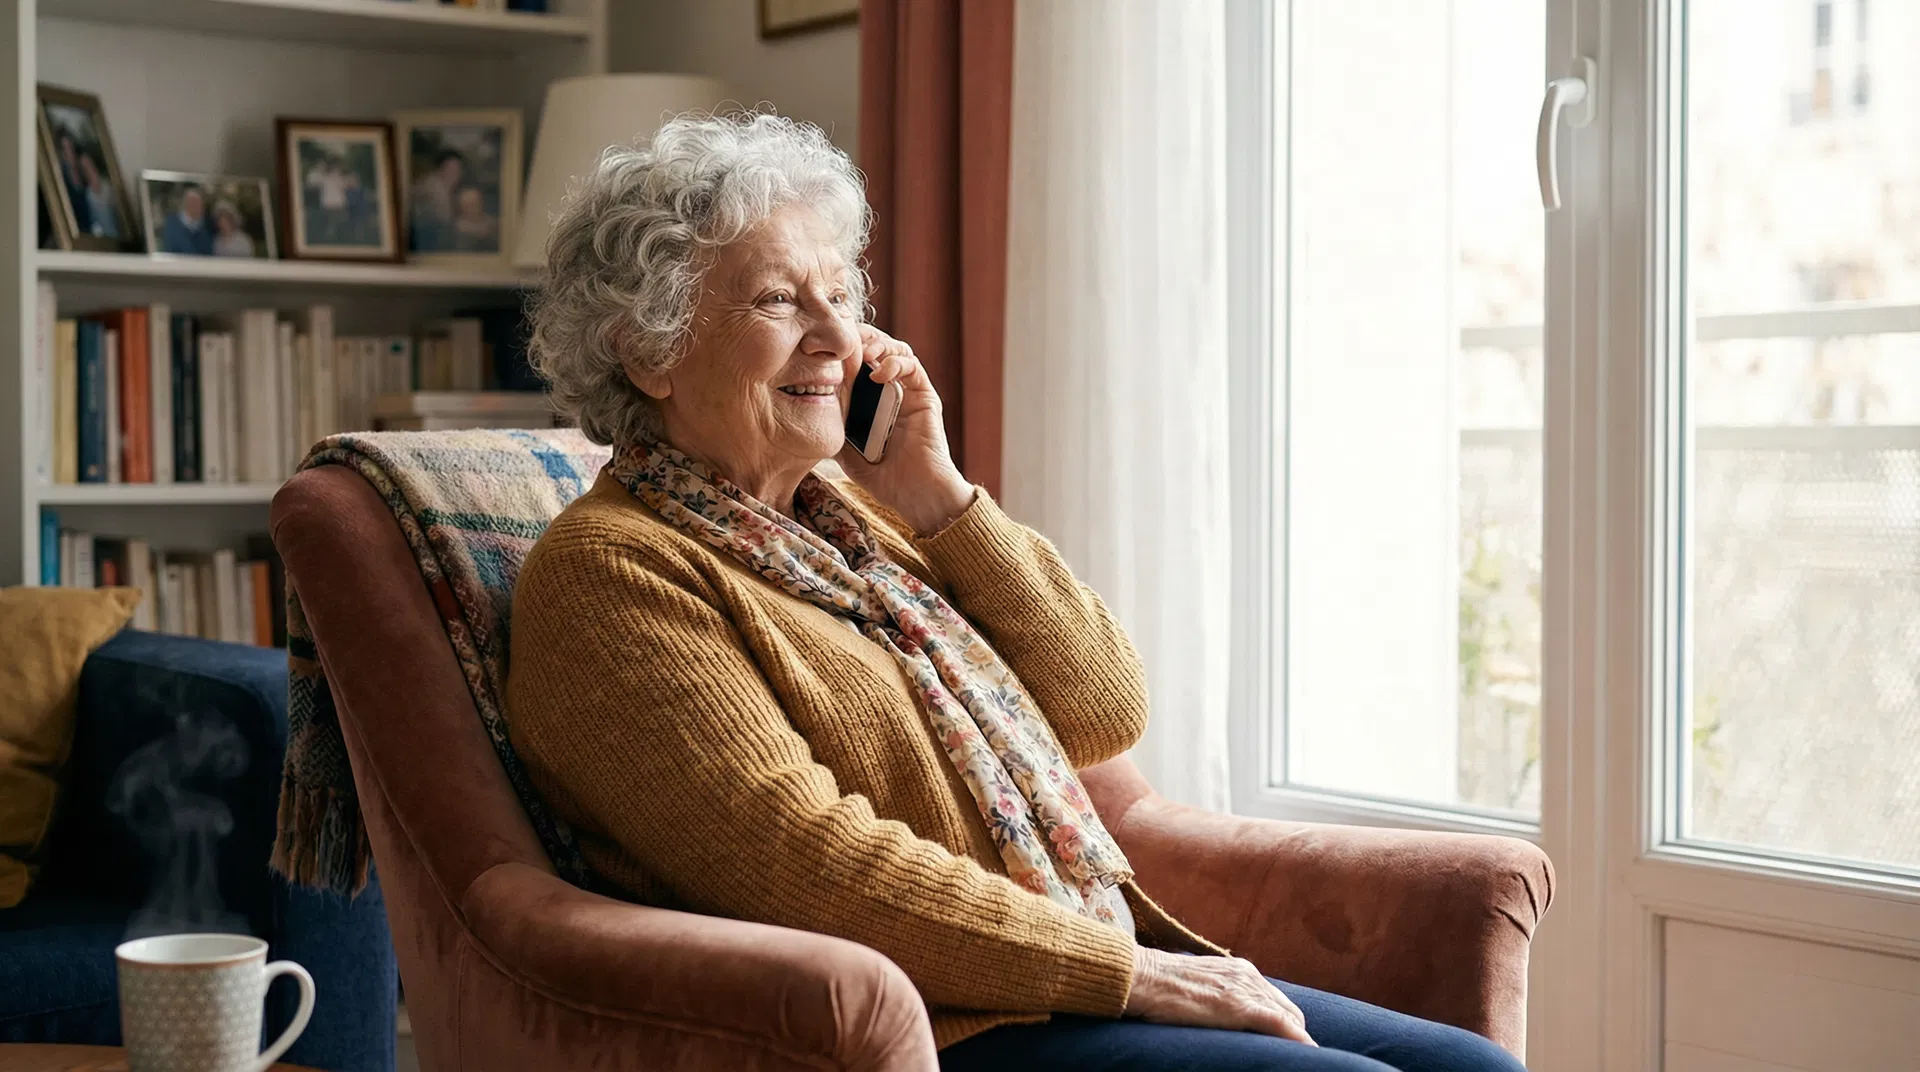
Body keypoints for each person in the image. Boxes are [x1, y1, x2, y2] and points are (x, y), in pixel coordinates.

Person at [507, 112, 1525, 1072]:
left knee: (1471, 1064)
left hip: (1058, 973)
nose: (837, 336)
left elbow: (1103, 708)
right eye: (780, 300)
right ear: (647, 351)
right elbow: (803, 859)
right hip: (937, 1024)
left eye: (842, 295)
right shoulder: (613, 574)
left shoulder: (849, 527)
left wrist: (940, 496)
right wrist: (1128, 972)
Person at [408, 148, 463, 251]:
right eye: (451, 169)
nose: (456, 174)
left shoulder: (447, 190)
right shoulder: (434, 186)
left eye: (458, 169)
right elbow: (446, 223)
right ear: (441, 169)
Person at [55, 131, 92, 235]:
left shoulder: (83, 171)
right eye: (65, 149)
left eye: (70, 148)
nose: (69, 153)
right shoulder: (61, 176)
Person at [160, 185, 213, 256]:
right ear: (186, 204)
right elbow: (169, 249)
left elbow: (209, 251)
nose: (198, 207)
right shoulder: (172, 223)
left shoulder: (207, 225)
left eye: (200, 203)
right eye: (193, 202)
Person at [77, 153, 120, 239]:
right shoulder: (88, 196)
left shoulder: (108, 185)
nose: (88, 169)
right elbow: (93, 222)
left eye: (89, 164)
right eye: (84, 167)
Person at [450, 185, 497, 252]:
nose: (472, 209)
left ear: (481, 203)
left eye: (474, 204)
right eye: (467, 205)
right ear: (461, 207)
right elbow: (483, 231)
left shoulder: (491, 220)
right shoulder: (458, 225)